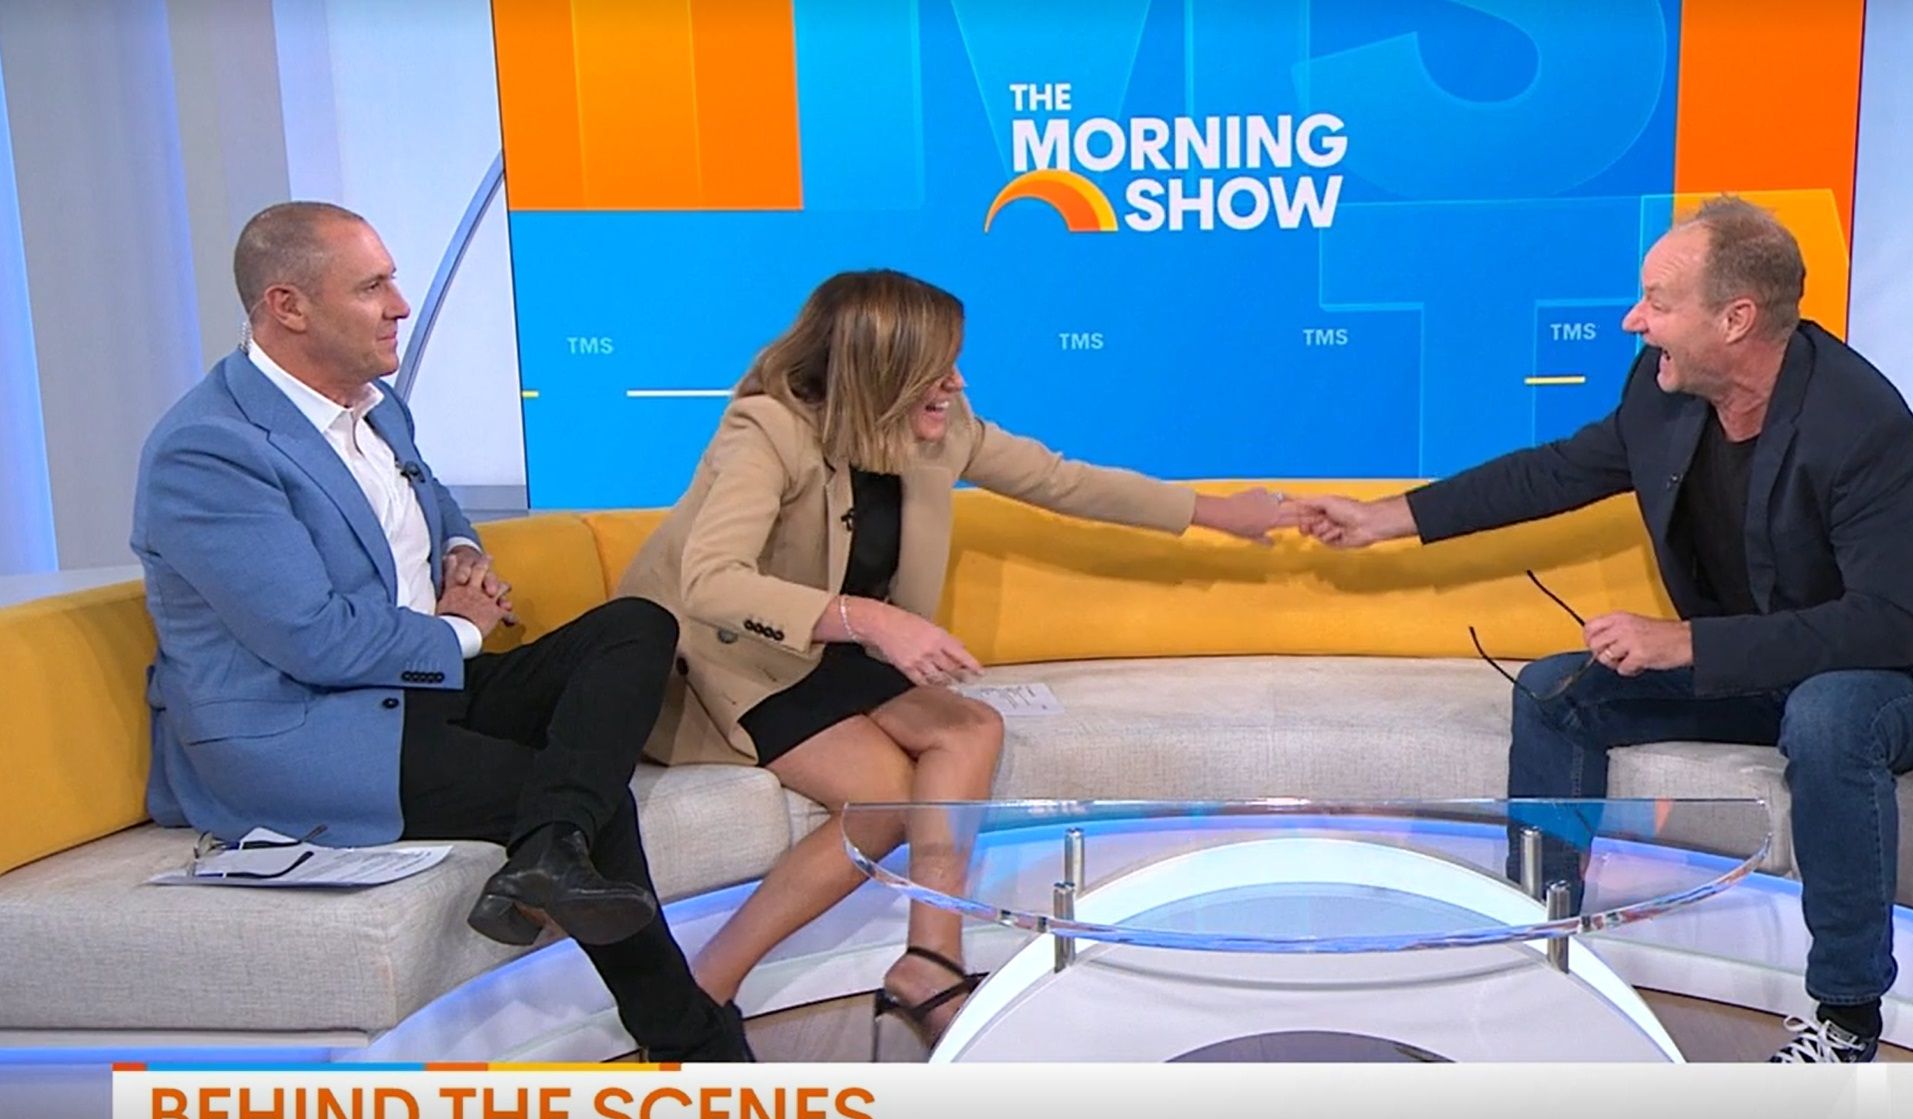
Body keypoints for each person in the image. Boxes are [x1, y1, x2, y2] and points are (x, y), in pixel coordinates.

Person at [1290, 197, 1913, 1063]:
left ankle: (1845, 1019)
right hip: (1768, 659)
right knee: (1557, 692)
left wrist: (1686, 643)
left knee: (1828, 715)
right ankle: (1535, 954)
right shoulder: (1663, 389)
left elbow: (1886, 624)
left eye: (1657, 303)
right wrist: (1387, 518)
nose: (1633, 321)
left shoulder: (1860, 423)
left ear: (1734, 318)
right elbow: (1557, 470)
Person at [132, 201, 749, 1062]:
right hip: (304, 729)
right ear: (288, 306)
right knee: (586, 794)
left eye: (392, 280)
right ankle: (698, 1048)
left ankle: (548, 849)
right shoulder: (209, 451)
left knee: (634, 628)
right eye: (372, 287)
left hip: (413, 687)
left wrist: (460, 552)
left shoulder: (375, 405)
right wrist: (459, 628)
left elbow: (435, 503)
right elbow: (312, 639)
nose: (400, 305)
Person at [619, 269, 1287, 1050]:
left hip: (838, 644)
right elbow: (710, 582)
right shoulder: (767, 430)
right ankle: (699, 992)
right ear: (880, 371)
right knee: (881, 799)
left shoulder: (939, 426)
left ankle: (929, 962)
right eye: (937, 368)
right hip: (730, 653)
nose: (957, 383)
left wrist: (1221, 513)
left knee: (970, 728)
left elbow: (1062, 480)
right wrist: (873, 619)